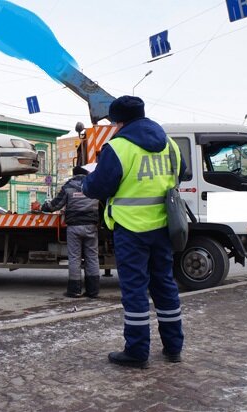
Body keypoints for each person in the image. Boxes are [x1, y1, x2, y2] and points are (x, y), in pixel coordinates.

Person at [82, 95, 186, 368]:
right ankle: (174, 347)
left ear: (118, 121)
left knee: (135, 291)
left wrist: (86, 183)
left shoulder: (118, 147)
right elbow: (182, 173)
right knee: (165, 286)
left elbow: (99, 187)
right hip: (164, 227)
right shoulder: (170, 144)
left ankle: (138, 352)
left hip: (130, 229)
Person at [41, 165, 100, 298]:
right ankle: (93, 291)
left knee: (74, 258)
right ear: (86, 174)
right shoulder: (94, 185)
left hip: (74, 227)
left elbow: (55, 205)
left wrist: (44, 206)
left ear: (74, 175)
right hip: (91, 226)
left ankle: (75, 290)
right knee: (92, 258)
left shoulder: (68, 186)